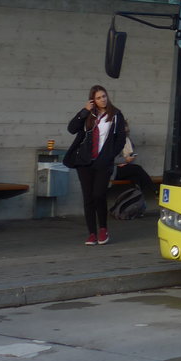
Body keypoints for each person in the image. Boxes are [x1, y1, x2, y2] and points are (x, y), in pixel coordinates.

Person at [64, 84, 127, 246]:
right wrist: (84, 111)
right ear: (93, 100)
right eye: (98, 98)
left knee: (99, 194)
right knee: (88, 197)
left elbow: (120, 139)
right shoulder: (88, 115)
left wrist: (110, 155)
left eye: (104, 96)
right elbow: (71, 129)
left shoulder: (116, 115)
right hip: (84, 162)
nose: (102, 100)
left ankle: (103, 229)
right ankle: (92, 233)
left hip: (103, 162)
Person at [114, 131, 156, 197]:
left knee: (136, 177)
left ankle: (138, 195)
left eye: (127, 131)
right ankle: (154, 189)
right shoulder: (115, 142)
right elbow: (113, 160)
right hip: (116, 170)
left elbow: (129, 152)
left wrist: (130, 157)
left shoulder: (127, 140)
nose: (127, 133)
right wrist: (126, 159)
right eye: (125, 131)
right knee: (138, 168)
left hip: (125, 167)